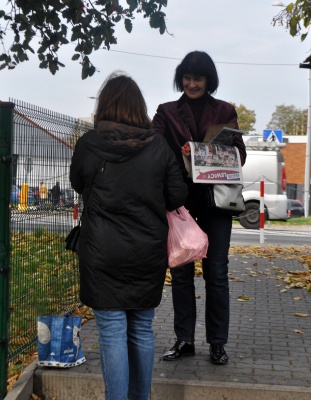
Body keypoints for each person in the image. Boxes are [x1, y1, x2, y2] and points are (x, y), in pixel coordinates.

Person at [69, 71, 187, 400]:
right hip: (147, 252)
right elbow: (177, 195)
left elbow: (79, 183)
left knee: (111, 333)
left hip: (101, 251)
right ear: (140, 107)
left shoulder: (89, 144)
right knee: (141, 331)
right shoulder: (159, 146)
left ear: (104, 105)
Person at [152, 51, 247, 365]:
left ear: (209, 80)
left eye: (199, 78)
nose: (192, 84)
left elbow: (239, 157)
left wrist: (210, 154)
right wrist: (180, 157)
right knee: (180, 273)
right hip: (180, 205)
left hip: (217, 204)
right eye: (188, 78)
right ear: (181, 78)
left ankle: (217, 343)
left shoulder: (225, 111)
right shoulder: (166, 113)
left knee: (217, 274)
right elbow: (154, 152)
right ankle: (185, 340)